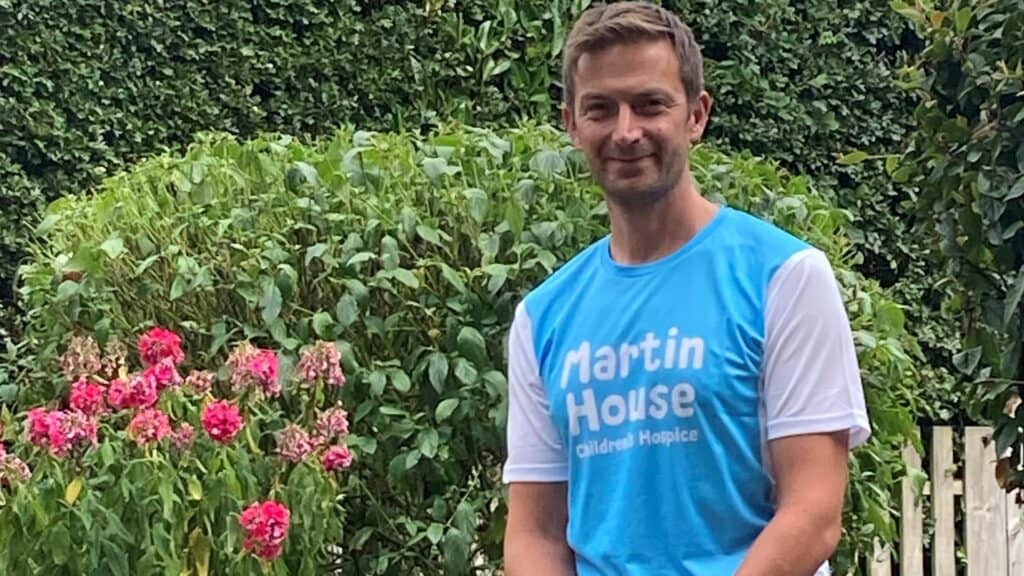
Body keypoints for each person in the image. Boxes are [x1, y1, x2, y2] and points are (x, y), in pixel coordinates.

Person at [500, 2, 871, 575]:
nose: (626, 132)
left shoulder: (785, 277)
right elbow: (535, 536)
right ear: (572, 124)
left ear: (695, 116)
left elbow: (813, 512)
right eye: (601, 109)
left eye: (650, 105)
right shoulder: (543, 315)